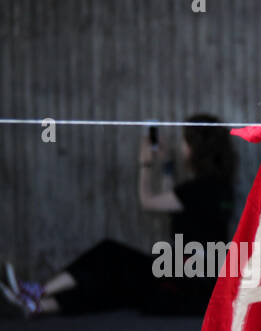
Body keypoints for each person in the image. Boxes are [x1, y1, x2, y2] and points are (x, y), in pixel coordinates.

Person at [2, 114, 236, 318]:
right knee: (115, 286)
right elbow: (171, 200)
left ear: (197, 148)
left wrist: (145, 163)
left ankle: (38, 292)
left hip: (182, 282)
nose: (183, 147)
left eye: (186, 141)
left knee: (109, 254)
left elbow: (149, 201)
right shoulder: (218, 189)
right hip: (199, 285)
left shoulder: (197, 190)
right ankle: (38, 306)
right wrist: (165, 168)